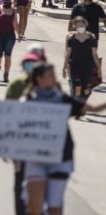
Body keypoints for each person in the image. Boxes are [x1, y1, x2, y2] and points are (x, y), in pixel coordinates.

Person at [23, 63, 106, 215]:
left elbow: (92, 108)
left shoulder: (61, 99)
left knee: (55, 207)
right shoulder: (28, 102)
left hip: (61, 157)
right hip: (36, 158)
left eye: (53, 75)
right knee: (34, 207)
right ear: (38, 79)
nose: (53, 79)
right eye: (49, 76)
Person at [5, 49, 46, 215]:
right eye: (27, 63)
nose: (30, 66)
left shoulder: (48, 85)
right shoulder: (17, 84)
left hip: (41, 144)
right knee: (20, 178)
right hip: (20, 142)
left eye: (34, 63)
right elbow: (7, 111)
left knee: (39, 181)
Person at [63, 16, 100, 98]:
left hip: (87, 66)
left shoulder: (92, 38)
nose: (80, 28)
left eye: (82, 25)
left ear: (86, 25)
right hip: (74, 65)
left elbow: (94, 54)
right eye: (78, 26)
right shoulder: (71, 38)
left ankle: (81, 101)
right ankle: (76, 106)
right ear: (75, 27)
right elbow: (67, 52)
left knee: (86, 90)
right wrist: (65, 67)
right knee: (77, 87)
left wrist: (98, 69)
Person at [0, 0, 18, 83]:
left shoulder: (14, 10)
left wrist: (20, 34)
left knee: (8, 55)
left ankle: (6, 74)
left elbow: (15, 23)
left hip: (10, 35)